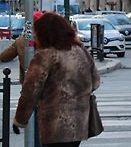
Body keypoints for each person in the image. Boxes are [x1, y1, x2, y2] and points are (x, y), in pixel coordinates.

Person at [13, 12, 100, 147]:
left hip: (55, 124)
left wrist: (20, 120)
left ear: (44, 33)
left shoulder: (45, 55)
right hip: (79, 122)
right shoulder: (80, 51)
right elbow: (95, 82)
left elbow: (30, 90)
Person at [0, 11, 44, 83]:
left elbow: (5, 56)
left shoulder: (21, 41)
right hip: (47, 84)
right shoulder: (49, 40)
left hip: (27, 83)